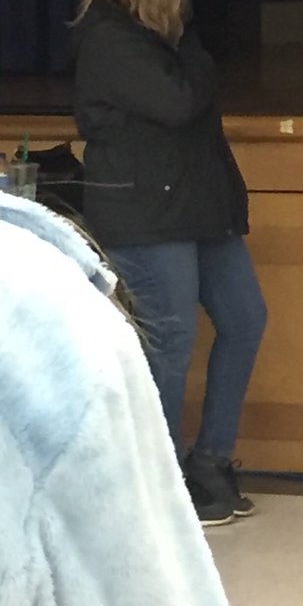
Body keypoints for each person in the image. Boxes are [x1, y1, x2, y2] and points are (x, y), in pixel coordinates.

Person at [71, 0, 267, 527]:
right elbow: (180, 102)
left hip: (197, 205)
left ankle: (209, 462)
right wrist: (197, 55)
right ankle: (154, 479)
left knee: (244, 320)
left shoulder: (164, 35)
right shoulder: (110, 36)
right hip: (146, 212)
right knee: (170, 342)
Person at [0, 191, 231, 606]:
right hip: (148, 206)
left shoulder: (36, 291)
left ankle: (202, 467)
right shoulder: (33, 294)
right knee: (171, 337)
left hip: (189, 200)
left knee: (232, 321)